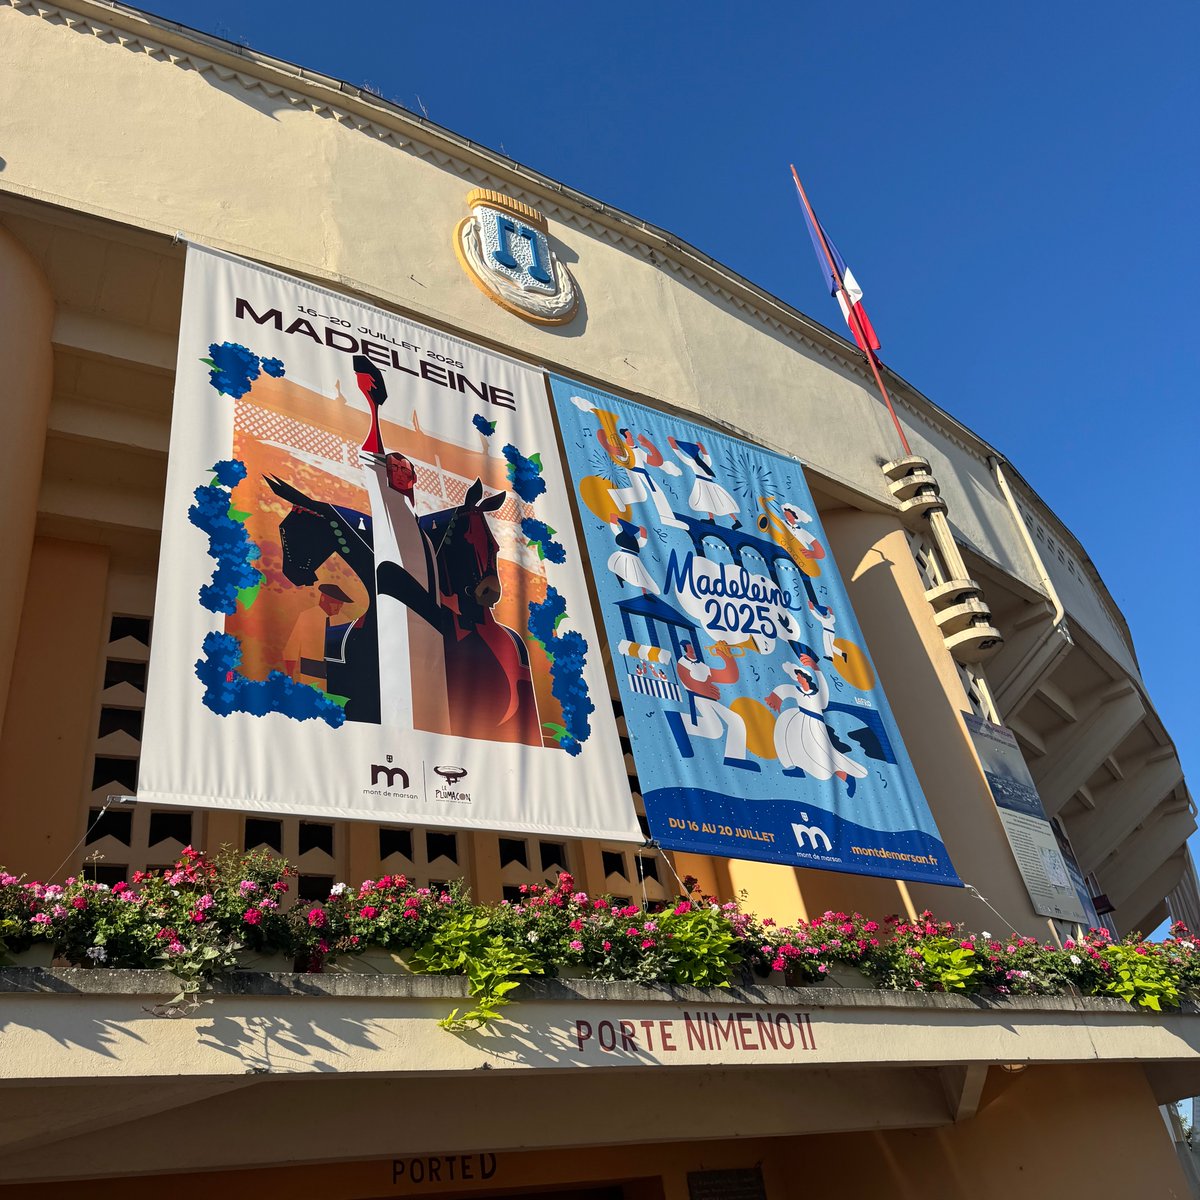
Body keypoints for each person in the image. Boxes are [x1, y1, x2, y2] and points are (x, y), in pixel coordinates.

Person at [766, 655, 867, 796]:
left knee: (823, 755)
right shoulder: (797, 690)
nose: (798, 679)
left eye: (800, 677)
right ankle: (798, 769)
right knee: (793, 744)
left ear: (806, 678)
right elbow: (784, 689)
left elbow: (824, 696)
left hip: (814, 725)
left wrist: (817, 669)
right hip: (799, 720)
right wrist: (775, 697)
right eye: (797, 677)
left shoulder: (817, 695)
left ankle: (847, 778)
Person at [667, 641, 758, 771]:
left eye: (691, 646)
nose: (691, 649)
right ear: (685, 648)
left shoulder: (702, 665)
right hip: (698, 699)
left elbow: (730, 677)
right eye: (688, 646)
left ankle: (734, 758)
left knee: (733, 721)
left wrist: (726, 656)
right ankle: (676, 719)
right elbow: (686, 678)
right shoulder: (683, 662)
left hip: (710, 700)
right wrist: (703, 689)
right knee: (717, 729)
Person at [283, 583, 353, 689]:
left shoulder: (344, 620)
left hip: (336, 678)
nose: (338, 607)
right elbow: (291, 650)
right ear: (323, 598)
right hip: (310, 677)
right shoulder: (306, 616)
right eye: (335, 603)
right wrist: (289, 678)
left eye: (341, 604)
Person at [668, 435, 741, 527]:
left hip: (703, 483)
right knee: (714, 502)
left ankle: (733, 521)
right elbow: (706, 456)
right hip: (709, 484)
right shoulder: (705, 462)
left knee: (712, 501)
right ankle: (717, 519)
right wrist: (702, 448)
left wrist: (673, 445)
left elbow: (681, 456)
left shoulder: (693, 462)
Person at [606, 513, 659, 594]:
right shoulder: (630, 540)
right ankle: (644, 592)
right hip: (630, 557)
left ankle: (643, 592)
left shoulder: (626, 538)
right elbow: (641, 542)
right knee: (640, 575)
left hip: (629, 557)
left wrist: (613, 521)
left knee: (639, 575)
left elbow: (615, 530)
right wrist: (643, 534)